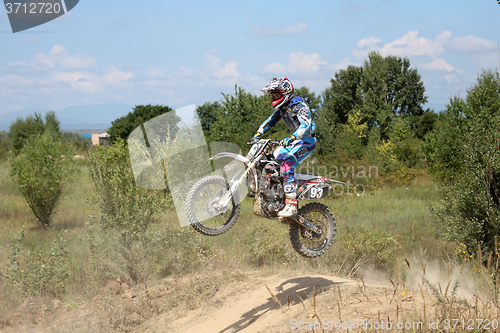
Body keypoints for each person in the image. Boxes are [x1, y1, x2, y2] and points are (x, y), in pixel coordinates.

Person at [251, 77, 316, 217]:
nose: (274, 97)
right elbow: (270, 121)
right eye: (273, 95)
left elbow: (306, 124)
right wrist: (258, 134)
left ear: (285, 93)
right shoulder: (283, 108)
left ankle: (291, 204)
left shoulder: (299, 105)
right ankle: (275, 196)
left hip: (307, 141)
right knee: (271, 161)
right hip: (294, 141)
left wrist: (293, 137)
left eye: (276, 95)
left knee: (287, 164)